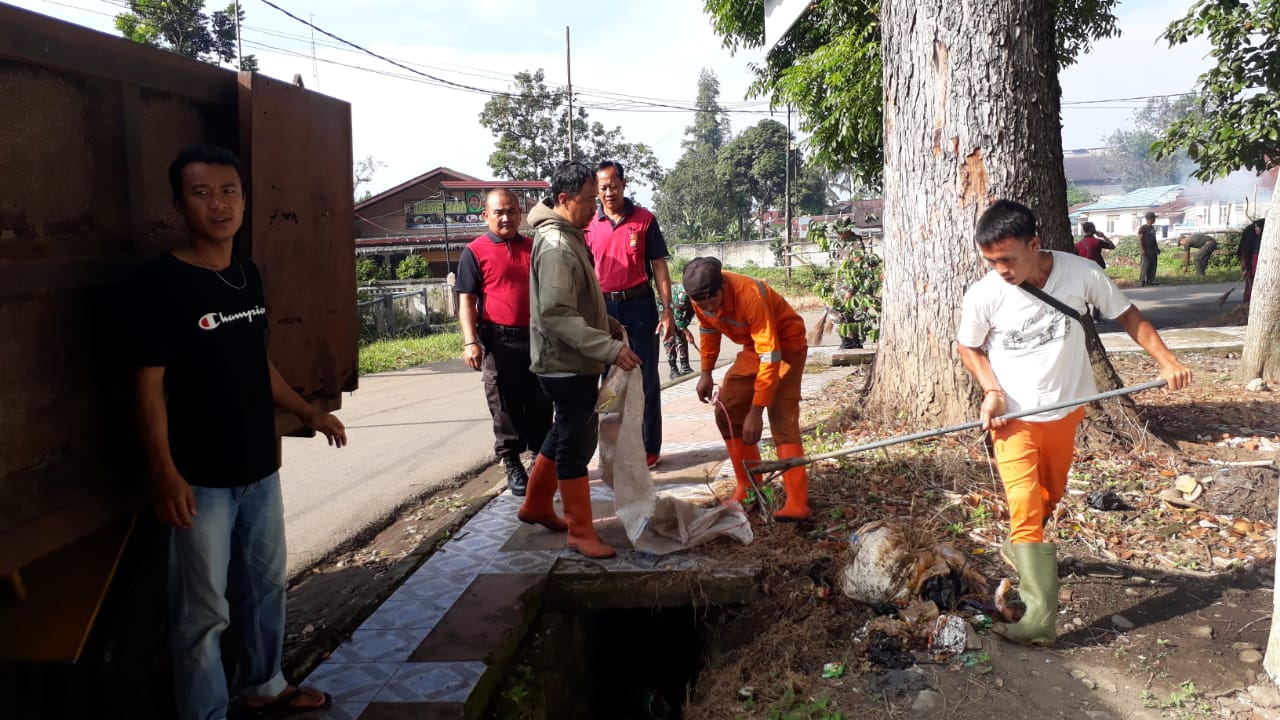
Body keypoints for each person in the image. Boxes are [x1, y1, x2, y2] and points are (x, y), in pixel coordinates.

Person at [130, 144, 347, 720]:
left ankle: (264, 685)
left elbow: (258, 364)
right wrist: (164, 473)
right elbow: (146, 388)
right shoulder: (160, 282)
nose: (218, 203)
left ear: (245, 201)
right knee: (204, 614)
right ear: (180, 205)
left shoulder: (247, 276)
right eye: (201, 193)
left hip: (259, 470)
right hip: (199, 480)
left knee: (265, 588)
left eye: (229, 191)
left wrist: (308, 412)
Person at [957, 200, 1191, 646]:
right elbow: (969, 347)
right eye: (991, 261)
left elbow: (1127, 315)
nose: (1001, 269)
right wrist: (991, 390)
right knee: (1025, 505)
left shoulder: (1081, 274)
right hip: (1014, 420)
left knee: (1050, 495)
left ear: (1035, 244)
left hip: (1066, 412)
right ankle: (1040, 618)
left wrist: (1166, 362)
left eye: (1008, 259)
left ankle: (1023, 552)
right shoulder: (984, 294)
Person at [517, 160, 642, 559]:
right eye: (589, 200)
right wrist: (609, 349)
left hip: (569, 357)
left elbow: (579, 302)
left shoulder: (568, 235)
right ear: (565, 199)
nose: (596, 207)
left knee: (562, 432)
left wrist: (608, 323)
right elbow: (557, 314)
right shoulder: (556, 245)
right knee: (576, 442)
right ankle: (580, 531)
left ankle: (536, 505)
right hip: (565, 364)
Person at [684, 257, 812, 522]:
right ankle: (750, 488)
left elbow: (771, 355)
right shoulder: (699, 299)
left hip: (785, 346)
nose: (708, 307)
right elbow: (708, 331)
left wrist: (756, 410)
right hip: (754, 349)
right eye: (702, 303)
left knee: (781, 416)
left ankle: (797, 502)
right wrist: (705, 373)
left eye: (713, 300)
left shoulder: (750, 295)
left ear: (722, 287)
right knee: (726, 409)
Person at [456, 189, 553, 496]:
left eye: (512, 211)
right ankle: (512, 461)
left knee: (540, 400)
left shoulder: (534, 245)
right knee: (504, 404)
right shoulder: (475, 251)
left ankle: (540, 459)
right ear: (486, 216)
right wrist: (470, 341)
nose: (507, 217)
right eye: (499, 212)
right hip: (498, 341)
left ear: (521, 213)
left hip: (536, 339)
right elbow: (466, 300)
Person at [585, 161, 673, 469]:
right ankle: (611, 449)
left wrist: (668, 309)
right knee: (608, 382)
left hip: (640, 307)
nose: (609, 193)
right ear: (596, 190)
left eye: (613, 185)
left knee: (645, 378)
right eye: (602, 187)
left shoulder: (645, 220)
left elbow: (659, 266)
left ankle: (649, 447)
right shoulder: (588, 224)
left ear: (624, 184)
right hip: (602, 310)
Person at [663, 281, 696, 379]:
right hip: (664, 311)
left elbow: (690, 313)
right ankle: (673, 370)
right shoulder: (683, 295)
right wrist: (688, 333)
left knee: (681, 337)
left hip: (676, 311)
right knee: (670, 338)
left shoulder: (697, 295)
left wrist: (684, 329)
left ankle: (685, 367)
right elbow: (677, 317)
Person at [1240, 219, 1263, 302]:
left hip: (1251, 259)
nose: (1256, 229)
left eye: (1258, 227)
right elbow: (1246, 252)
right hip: (1249, 260)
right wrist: (1247, 267)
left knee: (1251, 283)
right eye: (1256, 227)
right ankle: (1247, 302)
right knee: (1250, 281)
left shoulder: (1258, 236)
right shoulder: (1251, 234)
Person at [1138, 211, 1161, 286]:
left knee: (1153, 265)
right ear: (1150, 219)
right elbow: (1140, 239)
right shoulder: (1143, 228)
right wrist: (1142, 249)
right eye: (1154, 218)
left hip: (1153, 250)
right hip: (1146, 250)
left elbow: (1154, 239)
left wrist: (1157, 248)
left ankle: (1150, 280)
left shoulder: (1153, 228)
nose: (1154, 220)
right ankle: (1141, 281)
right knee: (1145, 266)